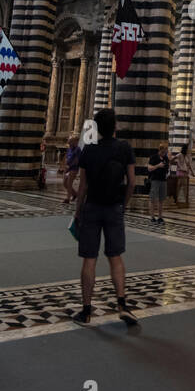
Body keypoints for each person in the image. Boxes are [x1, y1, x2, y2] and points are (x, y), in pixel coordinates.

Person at [72, 108, 138, 326]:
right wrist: (123, 205)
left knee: (89, 260)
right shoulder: (125, 148)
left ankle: (86, 310)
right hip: (114, 208)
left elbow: (82, 186)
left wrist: (78, 210)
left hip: (92, 207)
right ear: (115, 126)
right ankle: (122, 304)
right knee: (115, 257)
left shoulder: (89, 151)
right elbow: (132, 182)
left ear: (97, 128)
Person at [148, 142, 170, 223]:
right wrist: (158, 166)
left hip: (163, 180)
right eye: (163, 151)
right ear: (160, 150)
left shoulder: (166, 158)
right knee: (153, 199)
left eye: (165, 152)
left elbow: (167, 168)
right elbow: (149, 168)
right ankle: (152, 217)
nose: (164, 153)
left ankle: (160, 217)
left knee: (161, 199)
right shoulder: (154, 157)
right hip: (155, 180)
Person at [62, 134, 81, 206]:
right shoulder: (69, 148)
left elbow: (76, 160)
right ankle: (75, 194)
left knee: (69, 183)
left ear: (74, 142)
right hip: (67, 167)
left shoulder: (78, 149)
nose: (68, 142)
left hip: (73, 168)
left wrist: (69, 166)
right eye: (68, 141)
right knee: (65, 183)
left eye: (70, 141)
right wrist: (65, 166)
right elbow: (67, 158)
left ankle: (67, 199)